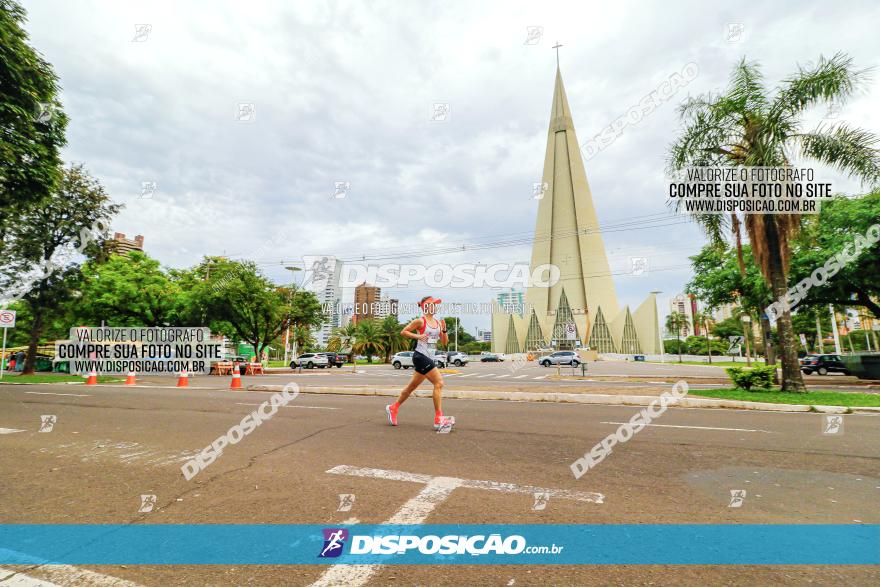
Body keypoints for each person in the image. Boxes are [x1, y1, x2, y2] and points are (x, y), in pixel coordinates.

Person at [385, 296, 450, 429]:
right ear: (426, 306)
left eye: (435, 304)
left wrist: (444, 329)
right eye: (432, 304)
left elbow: (444, 342)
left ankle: (393, 407)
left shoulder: (438, 323)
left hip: (429, 358)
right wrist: (418, 336)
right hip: (420, 356)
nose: (435, 307)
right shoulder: (420, 321)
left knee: (411, 388)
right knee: (439, 383)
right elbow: (404, 332)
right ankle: (439, 419)